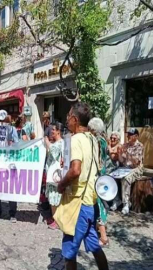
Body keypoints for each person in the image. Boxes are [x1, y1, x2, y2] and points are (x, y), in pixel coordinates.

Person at [57, 102, 109, 270]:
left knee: (69, 251)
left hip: (78, 204)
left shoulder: (76, 139)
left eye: (68, 118)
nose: (66, 121)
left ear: (75, 119)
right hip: (91, 202)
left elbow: (76, 170)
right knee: (94, 245)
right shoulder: (94, 139)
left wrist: (61, 184)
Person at [88, 118, 110, 247]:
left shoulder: (96, 141)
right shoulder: (103, 141)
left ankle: (103, 238)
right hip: (103, 175)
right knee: (99, 203)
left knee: (99, 205)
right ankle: (98, 230)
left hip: (97, 176)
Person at [117, 128, 144, 215]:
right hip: (125, 168)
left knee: (126, 178)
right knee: (113, 175)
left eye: (130, 134)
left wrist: (128, 152)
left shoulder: (139, 146)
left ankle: (126, 204)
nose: (128, 136)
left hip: (136, 169)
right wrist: (119, 153)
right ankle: (116, 200)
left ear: (136, 136)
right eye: (128, 134)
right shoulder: (125, 145)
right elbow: (121, 160)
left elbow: (136, 162)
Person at [44, 122, 64, 230]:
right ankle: (55, 218)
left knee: (55, 198)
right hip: (52, 174)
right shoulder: (57, 142)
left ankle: (57, 220)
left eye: (54, 129)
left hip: (55, 175)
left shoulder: (60, 142)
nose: (52, 131)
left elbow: (54, 152)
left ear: (58, 131)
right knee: (53, 198)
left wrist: (47, 142)